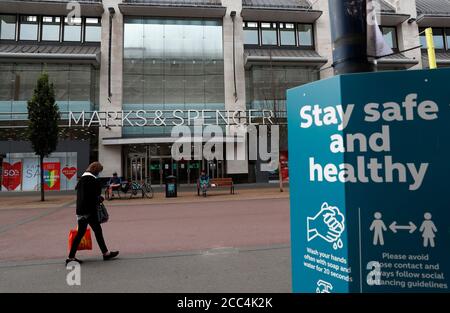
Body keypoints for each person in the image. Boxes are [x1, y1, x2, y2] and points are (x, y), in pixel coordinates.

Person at [66, 162, 119, 265]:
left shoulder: (81, 179)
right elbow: (96, 196)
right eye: (99, 171)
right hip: (90, 211)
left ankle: (71, 256)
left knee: (82, 233)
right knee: (97, 231)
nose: (99, 174)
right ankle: (105, 253)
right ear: (96, 171)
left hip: (80, 210)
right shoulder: (93, 180)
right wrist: (100, 198)